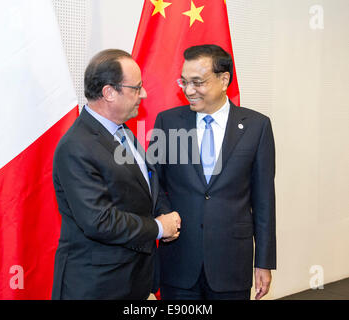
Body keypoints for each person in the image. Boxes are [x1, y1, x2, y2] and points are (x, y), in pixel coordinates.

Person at [51, 49, 181, 300]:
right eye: (136, 87)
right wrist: (157, 228)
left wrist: (163, 214)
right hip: (97, 286)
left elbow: (144, 186)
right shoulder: (76, 146)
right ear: (109, 92)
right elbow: (98, 220)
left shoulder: (122, 132)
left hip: (133, 280)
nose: (143, 94)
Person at [151, 44, 276, 300]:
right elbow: (153, 182)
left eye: (197, 82)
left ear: (224, 79)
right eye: (184, 82)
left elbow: (264, 200)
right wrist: (167, 216)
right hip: (179, 260)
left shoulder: (257, 127)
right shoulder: (168, 122)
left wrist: (264, 261)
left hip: (231, 264)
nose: (188, 91)